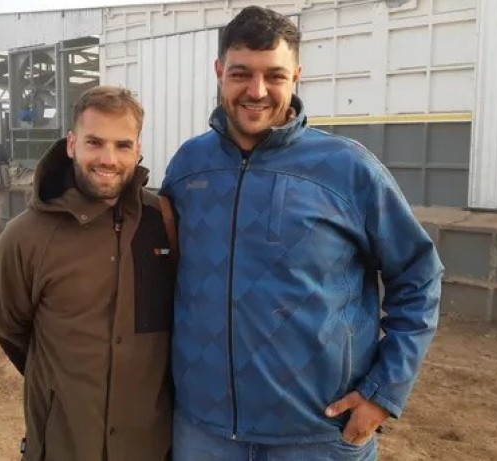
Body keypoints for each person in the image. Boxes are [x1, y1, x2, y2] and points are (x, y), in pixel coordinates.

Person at [159, 6, 444, 460]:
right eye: (240, 74)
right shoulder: (190, 166)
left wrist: (383, 392)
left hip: (316, 435)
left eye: (274, 75)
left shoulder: (348, 169)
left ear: (297, 75)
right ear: (219, 73)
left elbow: (419, 275)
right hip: (203, 432)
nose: (256, 91)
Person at [0, 86, 174, 461]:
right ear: (71, 144)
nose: (108, 159)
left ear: (137, 150)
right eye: (94, 142)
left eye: (123, 145)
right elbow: (10, 328)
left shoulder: (163, 221)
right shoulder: (26, 236)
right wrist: (61, 385)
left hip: (150, 447)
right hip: (64, 446)